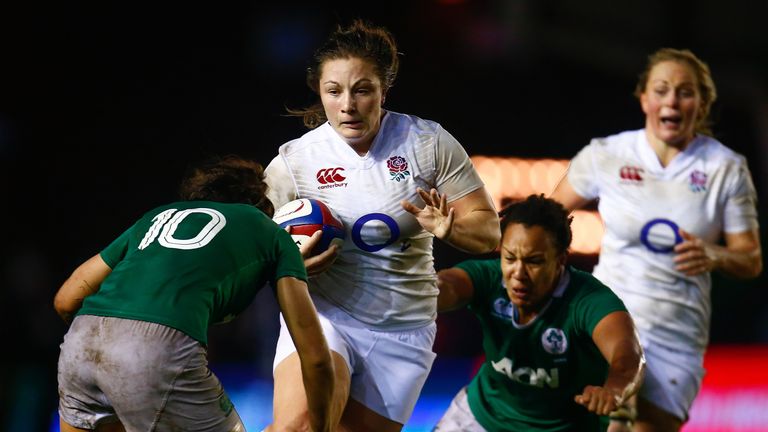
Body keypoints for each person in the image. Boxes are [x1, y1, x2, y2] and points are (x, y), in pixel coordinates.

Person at [263, 19, 501, 432]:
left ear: (383, 91)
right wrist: (288, 263)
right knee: (299, 427)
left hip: (403, 330)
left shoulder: (427, 144)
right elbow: (253, 249)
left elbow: (489, 232)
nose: (348, 105)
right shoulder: (293, 163)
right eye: (334, 92)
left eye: (362, 90)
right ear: (320, 94)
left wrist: (450, 230)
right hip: (325, 313)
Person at [550, 48, 763, 431]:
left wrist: (715, 255)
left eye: (685, 92)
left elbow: (751, 259)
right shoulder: (607, 154)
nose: (672, 101)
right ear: (644, 98)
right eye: (662, 90)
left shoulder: (726, 168)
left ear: (701, 103)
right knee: (612, 415)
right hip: (609, 318)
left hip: (677, 337)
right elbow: (543, 220)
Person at [53, 155, 336, 432]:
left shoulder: (158, 216)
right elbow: (315, 358)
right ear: (261, 201)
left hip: (80, 344)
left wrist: (108, 344)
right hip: (155, 350)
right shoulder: (268, 231)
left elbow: (66, 299)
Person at [432, 194, 645, 431]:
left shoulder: (590, 300)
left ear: (561, 260)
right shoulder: (488, 278)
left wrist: (613, 390)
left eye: (534, 261)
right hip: (484, 416)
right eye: (510, 258)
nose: (518, 273)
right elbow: (446, 286)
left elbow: (628, 357)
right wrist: (420, 293)